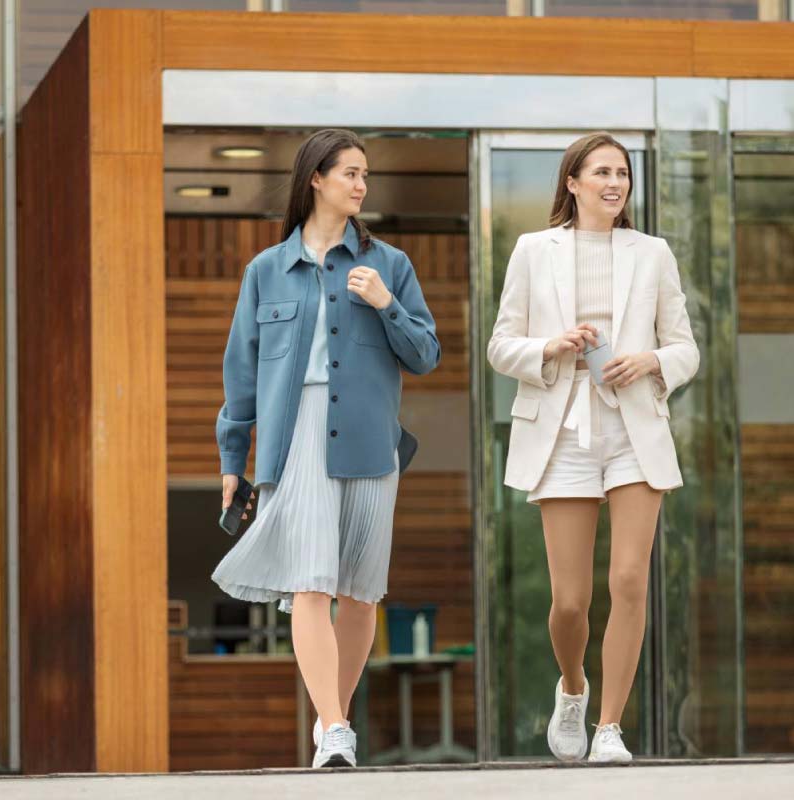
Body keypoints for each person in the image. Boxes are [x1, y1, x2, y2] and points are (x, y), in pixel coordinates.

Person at [209, 128, 440, 769]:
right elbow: (242, 374)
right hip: (297, 436)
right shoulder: (266, 271)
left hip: (371, 439)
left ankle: (328, 726)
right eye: (350, 173)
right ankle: (338, 727)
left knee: (361, 591)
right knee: (311, 583)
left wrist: (386, 303)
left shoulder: (389, 264)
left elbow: (426, 354)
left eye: (366, 175)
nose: (361, 185)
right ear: (316, 179)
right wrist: (235, 463)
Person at [486, 132, 699, 764]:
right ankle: (573, 688)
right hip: (562, 430)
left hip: (634, 428)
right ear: (572, 182)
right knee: (570, 600)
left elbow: (687, 347)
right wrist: (549, 347)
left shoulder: (653, 253)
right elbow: (502, 344)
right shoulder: (532, 250)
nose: (615, 183)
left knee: (630, 579)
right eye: (601, 172)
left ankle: (609, 727)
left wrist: (651, 360)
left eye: (623, 174)